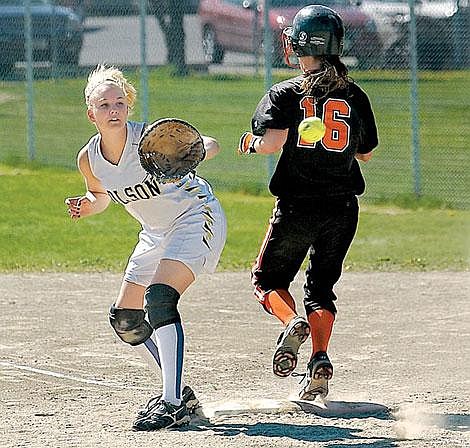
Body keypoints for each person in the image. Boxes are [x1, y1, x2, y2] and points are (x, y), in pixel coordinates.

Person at [65, 64, 227, 430]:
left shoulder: (150, 141)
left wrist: (194, 152)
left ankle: (171, 403)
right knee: (127, 319)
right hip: (155, 232)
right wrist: (89, 204)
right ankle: (180, 390)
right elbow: (102, 194)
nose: (113, 110)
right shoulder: (88, 158)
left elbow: (209, 144)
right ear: (91, 113)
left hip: (193, 216)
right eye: (104, 105)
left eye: (119, 102)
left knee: (160, 298)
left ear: (128, 107)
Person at [238, 5, 378, 401]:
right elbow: (365, 154)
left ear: (299, 46)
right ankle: (319, 360)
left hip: (297, 205)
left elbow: (271, 144)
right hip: (343, 207)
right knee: (321, 290)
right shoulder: (354, 94)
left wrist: (249, 144)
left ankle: (291, 323)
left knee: (267, 281)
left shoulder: (285, 92)